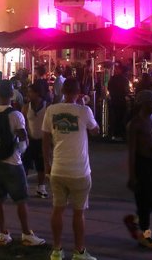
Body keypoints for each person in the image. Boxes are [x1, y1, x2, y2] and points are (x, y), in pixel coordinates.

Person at [42, 78, 99, 260]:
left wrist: (47, 164)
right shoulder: (84, 111)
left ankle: (57, 250)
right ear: (79, 92)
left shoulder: (51, 110)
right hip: (79, 171)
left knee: (57, 209)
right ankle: (79, 251)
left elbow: (44, 139)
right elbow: (96, 130)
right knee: (78, 212)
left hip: (57, 168)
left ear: (62, 91)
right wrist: (84, 107)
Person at [0, 80, 46, 248]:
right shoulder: (16, 115)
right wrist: (20, 150)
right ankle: (26, 233)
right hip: (13, 162)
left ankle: (3, 234)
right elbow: (23, 137)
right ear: (12, 94)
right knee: (21, 200)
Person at [124, 90, 152, 251]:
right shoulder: (135, 124)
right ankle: (146, 236)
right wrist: (132, 175)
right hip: (141, 165)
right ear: (144, 104)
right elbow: (132, 151)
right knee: (144, 201)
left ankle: (134, 220)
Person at [22, 83, 49, 199]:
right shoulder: (26, 107)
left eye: (31, 92)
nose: (28, 94)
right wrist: (25, 136)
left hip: (42, 140)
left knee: (41, 165)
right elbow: (22, 123)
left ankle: (41, 187)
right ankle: (23, 186)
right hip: (29, 140)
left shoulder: (47, 107)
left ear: (38, 93)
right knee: (25, 164)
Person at [107, 65, 130, 140]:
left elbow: (109, 88)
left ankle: (114, 134)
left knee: (114, 117)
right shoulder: (125, 79)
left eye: (117, 69)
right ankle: (121, 134)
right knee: (121, 118)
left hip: (114, 100)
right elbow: (127, 91)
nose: (116, 70)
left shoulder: (113, 78)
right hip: (121, 101)